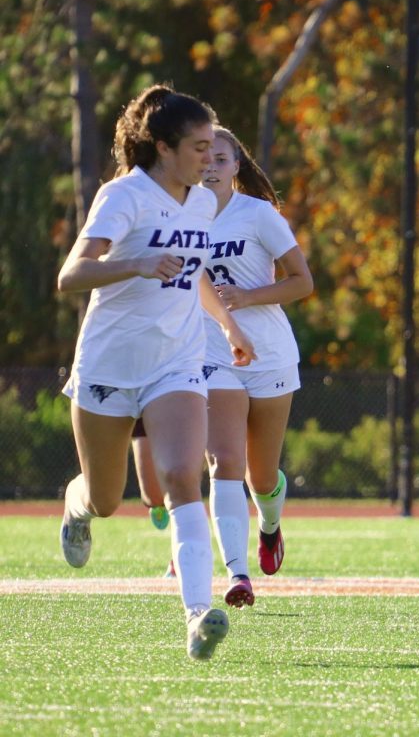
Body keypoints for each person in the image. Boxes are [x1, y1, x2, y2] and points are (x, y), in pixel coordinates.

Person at [57, 83, 257, 660]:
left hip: (175, 362)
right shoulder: (124, 197)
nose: (211, 157)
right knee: (106, 499)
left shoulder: (201, 201)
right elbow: (72, 275)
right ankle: (76, 507)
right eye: (199, 147)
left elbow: (191, 272)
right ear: (164, 147)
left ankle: (198, 615)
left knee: (180, 477)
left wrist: (227, 325)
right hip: (110, 363)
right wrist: (138, 262)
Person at [199, 125, 312, 609]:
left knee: (261, 479)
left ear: (236, 166)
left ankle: (270, 527)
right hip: (210, 354)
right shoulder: (177, 216)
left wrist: (248, 297)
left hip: (269, 354)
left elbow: (301, 281)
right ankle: (238, 574)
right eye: (201, 156)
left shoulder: (258, 214)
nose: (210, 166)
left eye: (220, 159)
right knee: (225, 464)